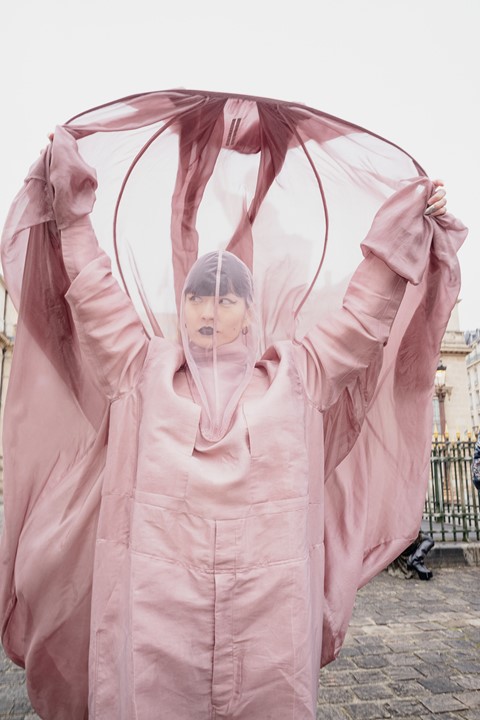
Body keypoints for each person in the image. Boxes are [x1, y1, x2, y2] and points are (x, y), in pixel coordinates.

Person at [0, 91, 466, 720]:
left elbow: (363, 318)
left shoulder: (299, 375)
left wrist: (405, 234)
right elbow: (92, 291)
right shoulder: (140, 371)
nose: (209, 308)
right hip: (155, 617)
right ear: (181, 306)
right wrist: (71, 212)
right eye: (197, 297)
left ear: (250, 311)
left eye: (226, 298)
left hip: (267, 621)